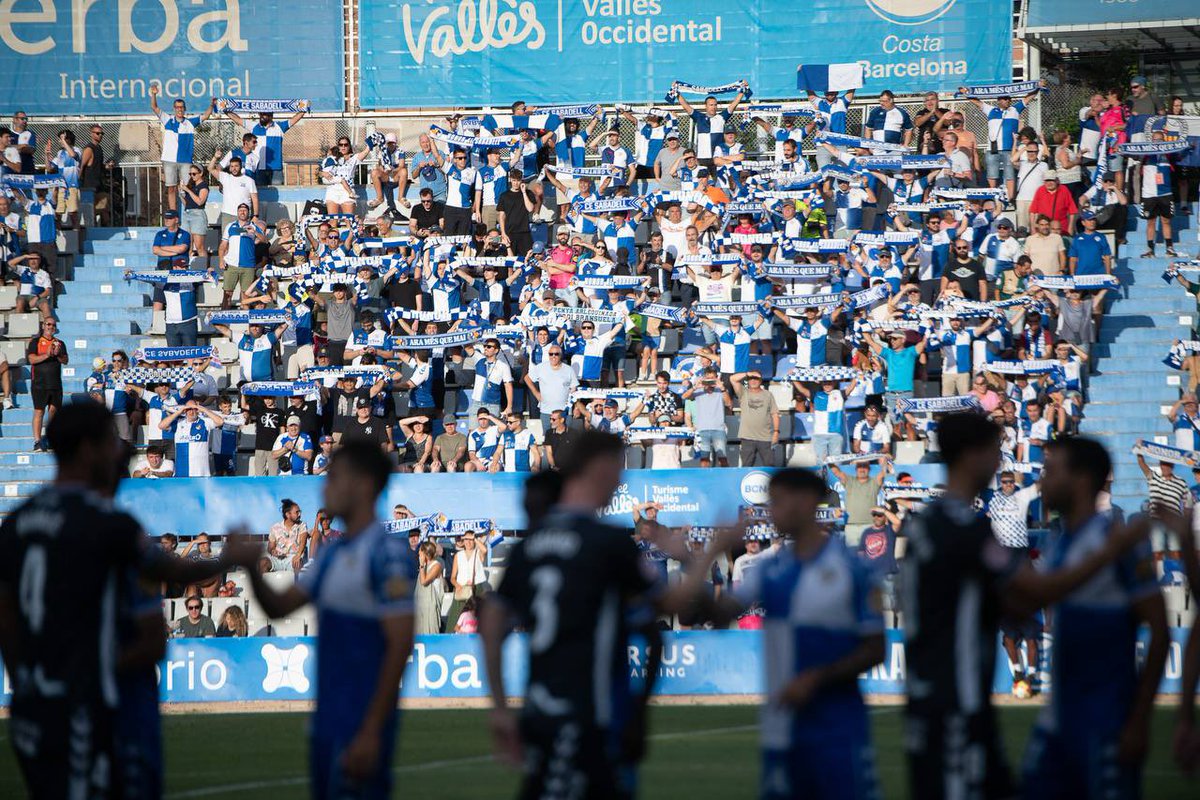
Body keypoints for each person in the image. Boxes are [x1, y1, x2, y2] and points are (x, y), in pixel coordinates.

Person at [0, 403, 256, 800]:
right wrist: (229, 557)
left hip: (37, 711)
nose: (119, 452)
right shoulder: (109, 525)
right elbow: (166, 574)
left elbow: (8, 623)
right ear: (88, 449)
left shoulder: (16, 524)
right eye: (110, 442)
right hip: (99, 709)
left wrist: (29, 690)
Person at [900, 412, 1155, 800]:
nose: (998, 463)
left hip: (934, 696)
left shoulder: (924, 523)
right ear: (974, 456)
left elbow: (1016, 603)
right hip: (956, 704)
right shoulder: (965, 529)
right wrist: (1118, 549)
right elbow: (1036, 591)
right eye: (994, 453)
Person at [480, 431, 735, 797]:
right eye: (619, 470)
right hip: (592, 718)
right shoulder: (607, 542)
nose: (620, 482)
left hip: (540, 711)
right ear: (599, 468)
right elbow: (672, 606)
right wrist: (704, 553)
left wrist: (501, 707)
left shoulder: (529, 545)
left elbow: (491, 621)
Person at [245, 442, 418, 800]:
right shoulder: (333, 553)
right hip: (328, 715)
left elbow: (400, 643)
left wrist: (372, 728)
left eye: (335, 478)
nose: (325, 488)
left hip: (361, 716)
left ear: (365, 484)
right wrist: (249, 565)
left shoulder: (387, 553)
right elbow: (279, 606)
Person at [717, 468, 885, 800]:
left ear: (807, 502)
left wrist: (817, 678)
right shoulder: (768, 568)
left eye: (778, 502)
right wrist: (709, 552)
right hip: (780, 729)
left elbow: (875, 648)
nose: (773, 512)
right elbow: (714, 615)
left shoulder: (853, 569)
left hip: (838, 727)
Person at [1022, 437, 1170, 799]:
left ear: (1082, 480)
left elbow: (1161, 631)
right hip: (1058, 724)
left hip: (1106, 723)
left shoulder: (1119, 544)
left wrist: (1138, 719)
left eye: (1051, 471)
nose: (1043, 480)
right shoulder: (1064, 543)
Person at [149, 83, 215, 214]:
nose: (179, 109)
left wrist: (212, 105)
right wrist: (154, 94)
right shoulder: (168, 120)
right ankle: (173, 213)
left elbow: (206, 116)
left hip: (185, 160)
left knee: (186, 187)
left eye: (182, 107)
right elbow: (154, 107)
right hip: (169, 159)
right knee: (171, 188)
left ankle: (188, 210)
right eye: (177, 107)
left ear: (184, 109)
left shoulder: (190, 122)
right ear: (174, 109)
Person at [26, 317, 67, 452]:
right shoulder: (35, 341)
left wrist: (58, 354)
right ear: (43, 325)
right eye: (48, 324)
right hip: (39, 384)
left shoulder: (60, 343)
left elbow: (65, 360)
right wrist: (48, 354)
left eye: (53, 325)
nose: (51, 327)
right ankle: (37, 441)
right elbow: (32, 359)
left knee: (54, 411)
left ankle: (52, 438)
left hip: (55, 383)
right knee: (39, 411)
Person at [730, 370, 779, 467]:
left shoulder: (768, 395)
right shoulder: (743, 392)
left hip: (766, 437)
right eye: (751, 379)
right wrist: (748, 374)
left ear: (761, 381)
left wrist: (776, 432)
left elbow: (775, 414)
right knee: (746, 466)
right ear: (747, 380)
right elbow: (732, 379)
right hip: (747, 438)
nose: (753, 381)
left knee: (770, 466)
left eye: (756, 379)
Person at [447, 530, 488, 631]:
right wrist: (458, 586)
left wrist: (475, 538)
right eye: (466, 540)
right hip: (461, 589)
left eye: (470, 540)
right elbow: (452, 577)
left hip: (476, 588)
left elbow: (485, 550)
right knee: (456, 620)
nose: (468, 542)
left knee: (476, 618)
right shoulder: (458, 555)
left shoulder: (478, 553)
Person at [262, 498, 310, 575]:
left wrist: (298, 555)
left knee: (297, 563)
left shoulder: (302, 525)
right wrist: (272, 551)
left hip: (293, 558)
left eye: (300, 512)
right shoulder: (275, 527)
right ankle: (263, 586)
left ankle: (296, 586)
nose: (299, 514)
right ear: (288, 514)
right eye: (297, 512)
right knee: (263, 562)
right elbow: (270, 547)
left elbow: (303, 541)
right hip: (277, 559)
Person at [415, 539, 445, 635]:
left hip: (430, 604)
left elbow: (424, 581)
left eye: (420, 551)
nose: (418, 553)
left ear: (425, 553)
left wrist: (422, 565)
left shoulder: (437, 565)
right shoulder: (423, 566)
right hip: (420, 604)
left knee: (430, 630)